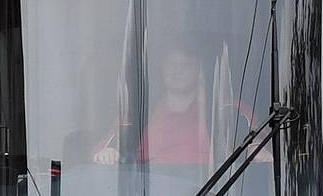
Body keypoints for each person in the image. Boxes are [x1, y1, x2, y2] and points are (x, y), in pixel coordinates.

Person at [92, 40, 252, 167]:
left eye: (186, 65)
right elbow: (103, 151)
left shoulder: (228, 110)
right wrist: (108, 153)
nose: (178, 71)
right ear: (162, 68)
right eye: (171, 64)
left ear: (199, 68)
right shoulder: (137, 116)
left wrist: (256, 152)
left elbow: (258, 144)